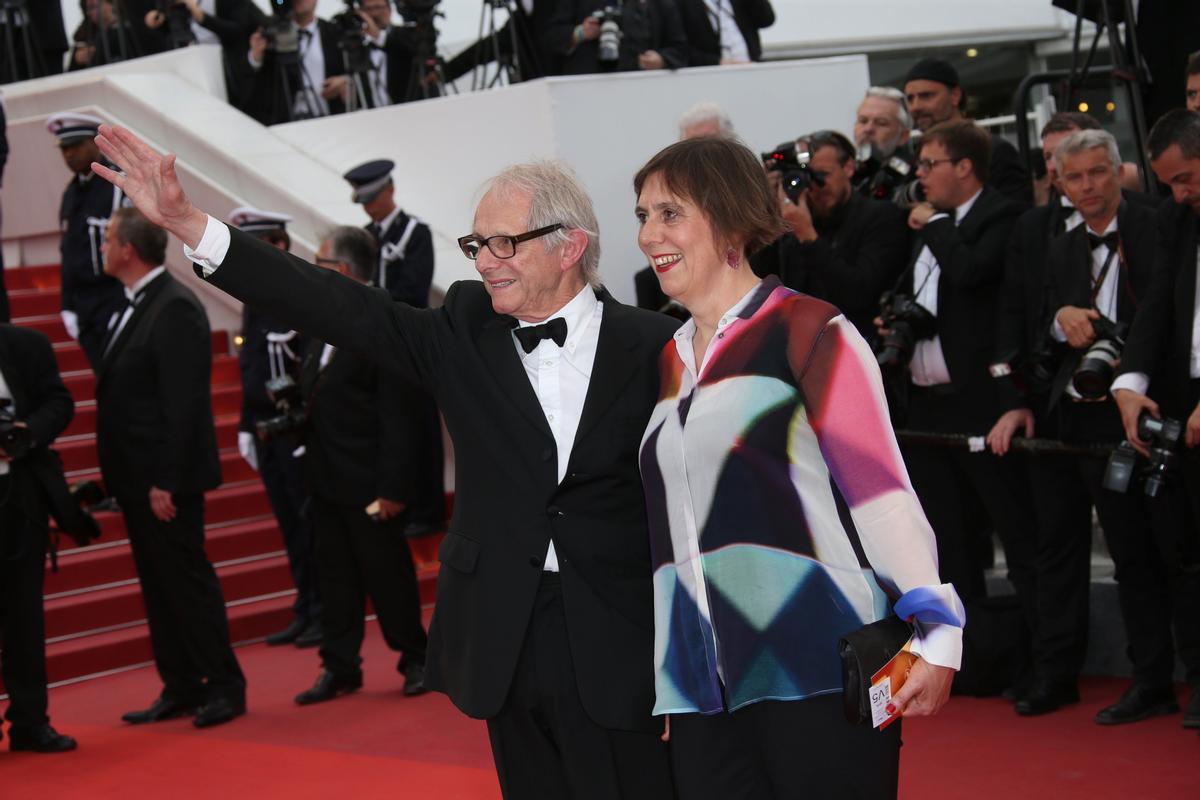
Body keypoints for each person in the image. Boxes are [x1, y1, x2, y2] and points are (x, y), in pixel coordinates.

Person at [94, 124, 677, 799]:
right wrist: (190, 223)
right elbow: (338, 305)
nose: (484, 262)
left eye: (502, 244)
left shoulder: (660, 346)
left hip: (622, 635)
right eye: (475, 245)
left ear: (569, 245)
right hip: (504, 634)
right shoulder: (465, 331)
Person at [633, 135, 962, 799]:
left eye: (670, 214)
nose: (647, 235)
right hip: (705, 686)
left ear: (728, 218)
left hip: (818, 663)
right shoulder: (670, 359)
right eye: (641, 215)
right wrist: (677, 669)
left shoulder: (810, 330)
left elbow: (882, 492)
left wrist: (938, 629)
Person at [991, 129, 1165, 718]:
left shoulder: (1155, 226)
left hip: (1138, 411)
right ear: (1058, 184)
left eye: (1099, 172)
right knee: (1062, 547)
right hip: (1071, 415)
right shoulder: (1059, 247)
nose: (1088, 186)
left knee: (1140, 551)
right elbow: (1037, 319)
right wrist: (1060, 317)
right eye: (1076, 177)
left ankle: (1155, 678)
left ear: (1121, 172)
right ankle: (1061, 671)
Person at [878, 120, 1038, 630]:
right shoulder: (933, 225)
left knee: (1016, 534)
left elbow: (972, 273)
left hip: (982, 403)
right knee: (946, 537)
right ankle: (969, 655)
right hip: (927, 403)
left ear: (964, 167)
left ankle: (1043, 661)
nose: (921, 175)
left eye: (930, 164)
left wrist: (935, 225)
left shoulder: (1002, 216)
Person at [94, 207, 246, 729]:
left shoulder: (175, 306)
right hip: (138, 482)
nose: (103, 246)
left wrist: (167, 479)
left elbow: (183, 406)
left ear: (129, 250)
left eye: (108, 239)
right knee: (159, 588)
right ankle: (180, 685)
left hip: (165, 484)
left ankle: (224, 686)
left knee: (186, 585)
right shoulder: (138, 305)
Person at [292, 225, 431, 705]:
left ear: (344, 271)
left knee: (388, 576)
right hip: (327, 482)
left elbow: (401, 414)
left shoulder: (382, 324)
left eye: (321, 262)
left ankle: (416, 658)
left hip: (371, 485)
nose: (313, 270)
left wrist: (393, 487)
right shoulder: (326, 321)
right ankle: (340, 665)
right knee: (334, 580)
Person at [1111, 108, 1200, 731]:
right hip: (1183, 396)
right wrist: (1129, 382)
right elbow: (1159, 302)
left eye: (1189, 178)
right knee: (1187, 552)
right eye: (1170, 183)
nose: (1179, 194)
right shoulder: (1178, 217)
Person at [229, 207, 321, 649]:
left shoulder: (297, 297)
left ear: (279, 244)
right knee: (288, 524)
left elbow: (309, 371)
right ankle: (304, 605)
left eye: (257, 244)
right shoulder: (255, 298)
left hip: (297, 432)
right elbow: (250, 367)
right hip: (267, 429)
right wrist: (247, 425)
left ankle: (322, 609)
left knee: (309, 525)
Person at [343, 159, 445, 536]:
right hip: (377, 344)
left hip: (408, 341)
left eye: (372, 197)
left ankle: (430, 509)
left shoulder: (414, 232)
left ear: (389, 190)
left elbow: (414, 290)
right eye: (362, 200)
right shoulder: (365, 235)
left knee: (419, 425)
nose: (368, 206)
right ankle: (401, 499)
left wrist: (372, 301)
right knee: (391, 425)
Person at [752, 129, 910, 342]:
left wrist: (808, 237)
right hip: (798, 352)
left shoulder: (881, 217)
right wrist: (768, 214)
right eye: (807, 176)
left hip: (855, 351)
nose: (814, 186)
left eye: (822, 175)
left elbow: (859, 292)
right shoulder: (794, 219)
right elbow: (757, 283)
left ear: (849, 168)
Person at [0, 323, 77, 753]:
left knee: (24, 616)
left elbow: (60, 402)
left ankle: (30, 721)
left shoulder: (24, 345)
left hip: (20, 501)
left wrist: (25, 433)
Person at [47, 112, 128, 369]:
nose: (69, 155)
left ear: (94, 144)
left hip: (113, 296)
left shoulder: (117, 185)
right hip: (84, 305)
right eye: (64, 149)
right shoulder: (71, 193)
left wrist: (127, 300)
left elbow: (135, 246)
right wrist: (67, 304)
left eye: (75, 146)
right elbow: (68, 251)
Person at [902, 57, 1032, 210]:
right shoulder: (917, 156)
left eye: (927, 96)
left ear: (955, 96)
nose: (916, 106)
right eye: (910, 99)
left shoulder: (992, 150)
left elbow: (1015, 214)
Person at [142, 0, 266, 108]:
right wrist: (160, 22)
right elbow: (177, 30)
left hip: (227, 69)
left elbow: (236, 31)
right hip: (191, 67)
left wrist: (202, 17)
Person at [244, 0, 348, 125]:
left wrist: (344, 80)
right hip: (285, 122)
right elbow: (253, 80)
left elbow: (350, 71)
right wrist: (256, 57)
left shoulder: (333, 31)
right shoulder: (271, 32)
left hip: (328, 118)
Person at [546, 0, 688, 75]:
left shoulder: (660, 4)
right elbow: (551, 38)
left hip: (643, 87)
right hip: (590, 88)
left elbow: (680, 48)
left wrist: (661, 60)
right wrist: (581, 33)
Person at [851, 87, 918, 203]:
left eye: (881, 123)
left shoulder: (916, 177)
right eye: (863, 120)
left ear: (903, 136)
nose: (868, 129)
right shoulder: (847, 170)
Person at [674, 0, 774, 67]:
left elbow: (766, 19)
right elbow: (680, 50)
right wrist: (717, 62)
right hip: (710, 75)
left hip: (751, 67)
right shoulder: (681, 4)